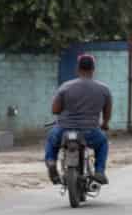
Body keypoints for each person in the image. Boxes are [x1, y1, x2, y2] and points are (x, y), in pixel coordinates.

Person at [46, 53, 112, 185]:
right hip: (90, 131)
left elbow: (55, 110)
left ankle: (51, 161)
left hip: (64, 129)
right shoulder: (104, 89)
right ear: (93, 69)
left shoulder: (66, 86)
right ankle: (99, 171)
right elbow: (107, 112)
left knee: (52, 140)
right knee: (103, 142)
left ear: (78, 69)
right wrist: (104, 124)